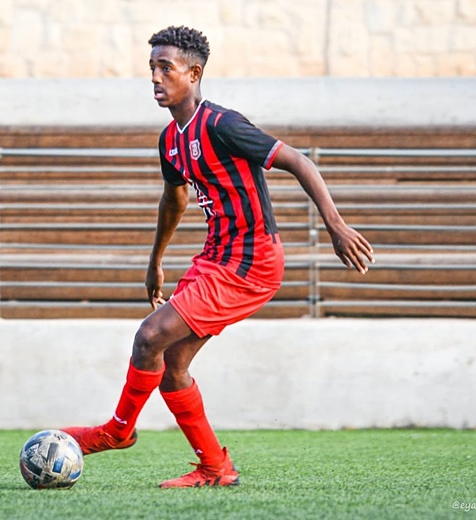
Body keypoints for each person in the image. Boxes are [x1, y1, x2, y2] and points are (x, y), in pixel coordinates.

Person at [64, 25, 374, 489]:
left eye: (165, 68)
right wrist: (155, 260)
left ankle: (118, 431)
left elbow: (299, 161)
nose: (155, 77)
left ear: (194, 74)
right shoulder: (170, 140)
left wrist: (336, 225)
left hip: (252, 262)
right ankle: (215, 467)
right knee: (172, 366)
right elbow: (175, 199)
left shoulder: (222, 125)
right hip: (216, 259)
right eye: (152, 68)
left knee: (150, 336)